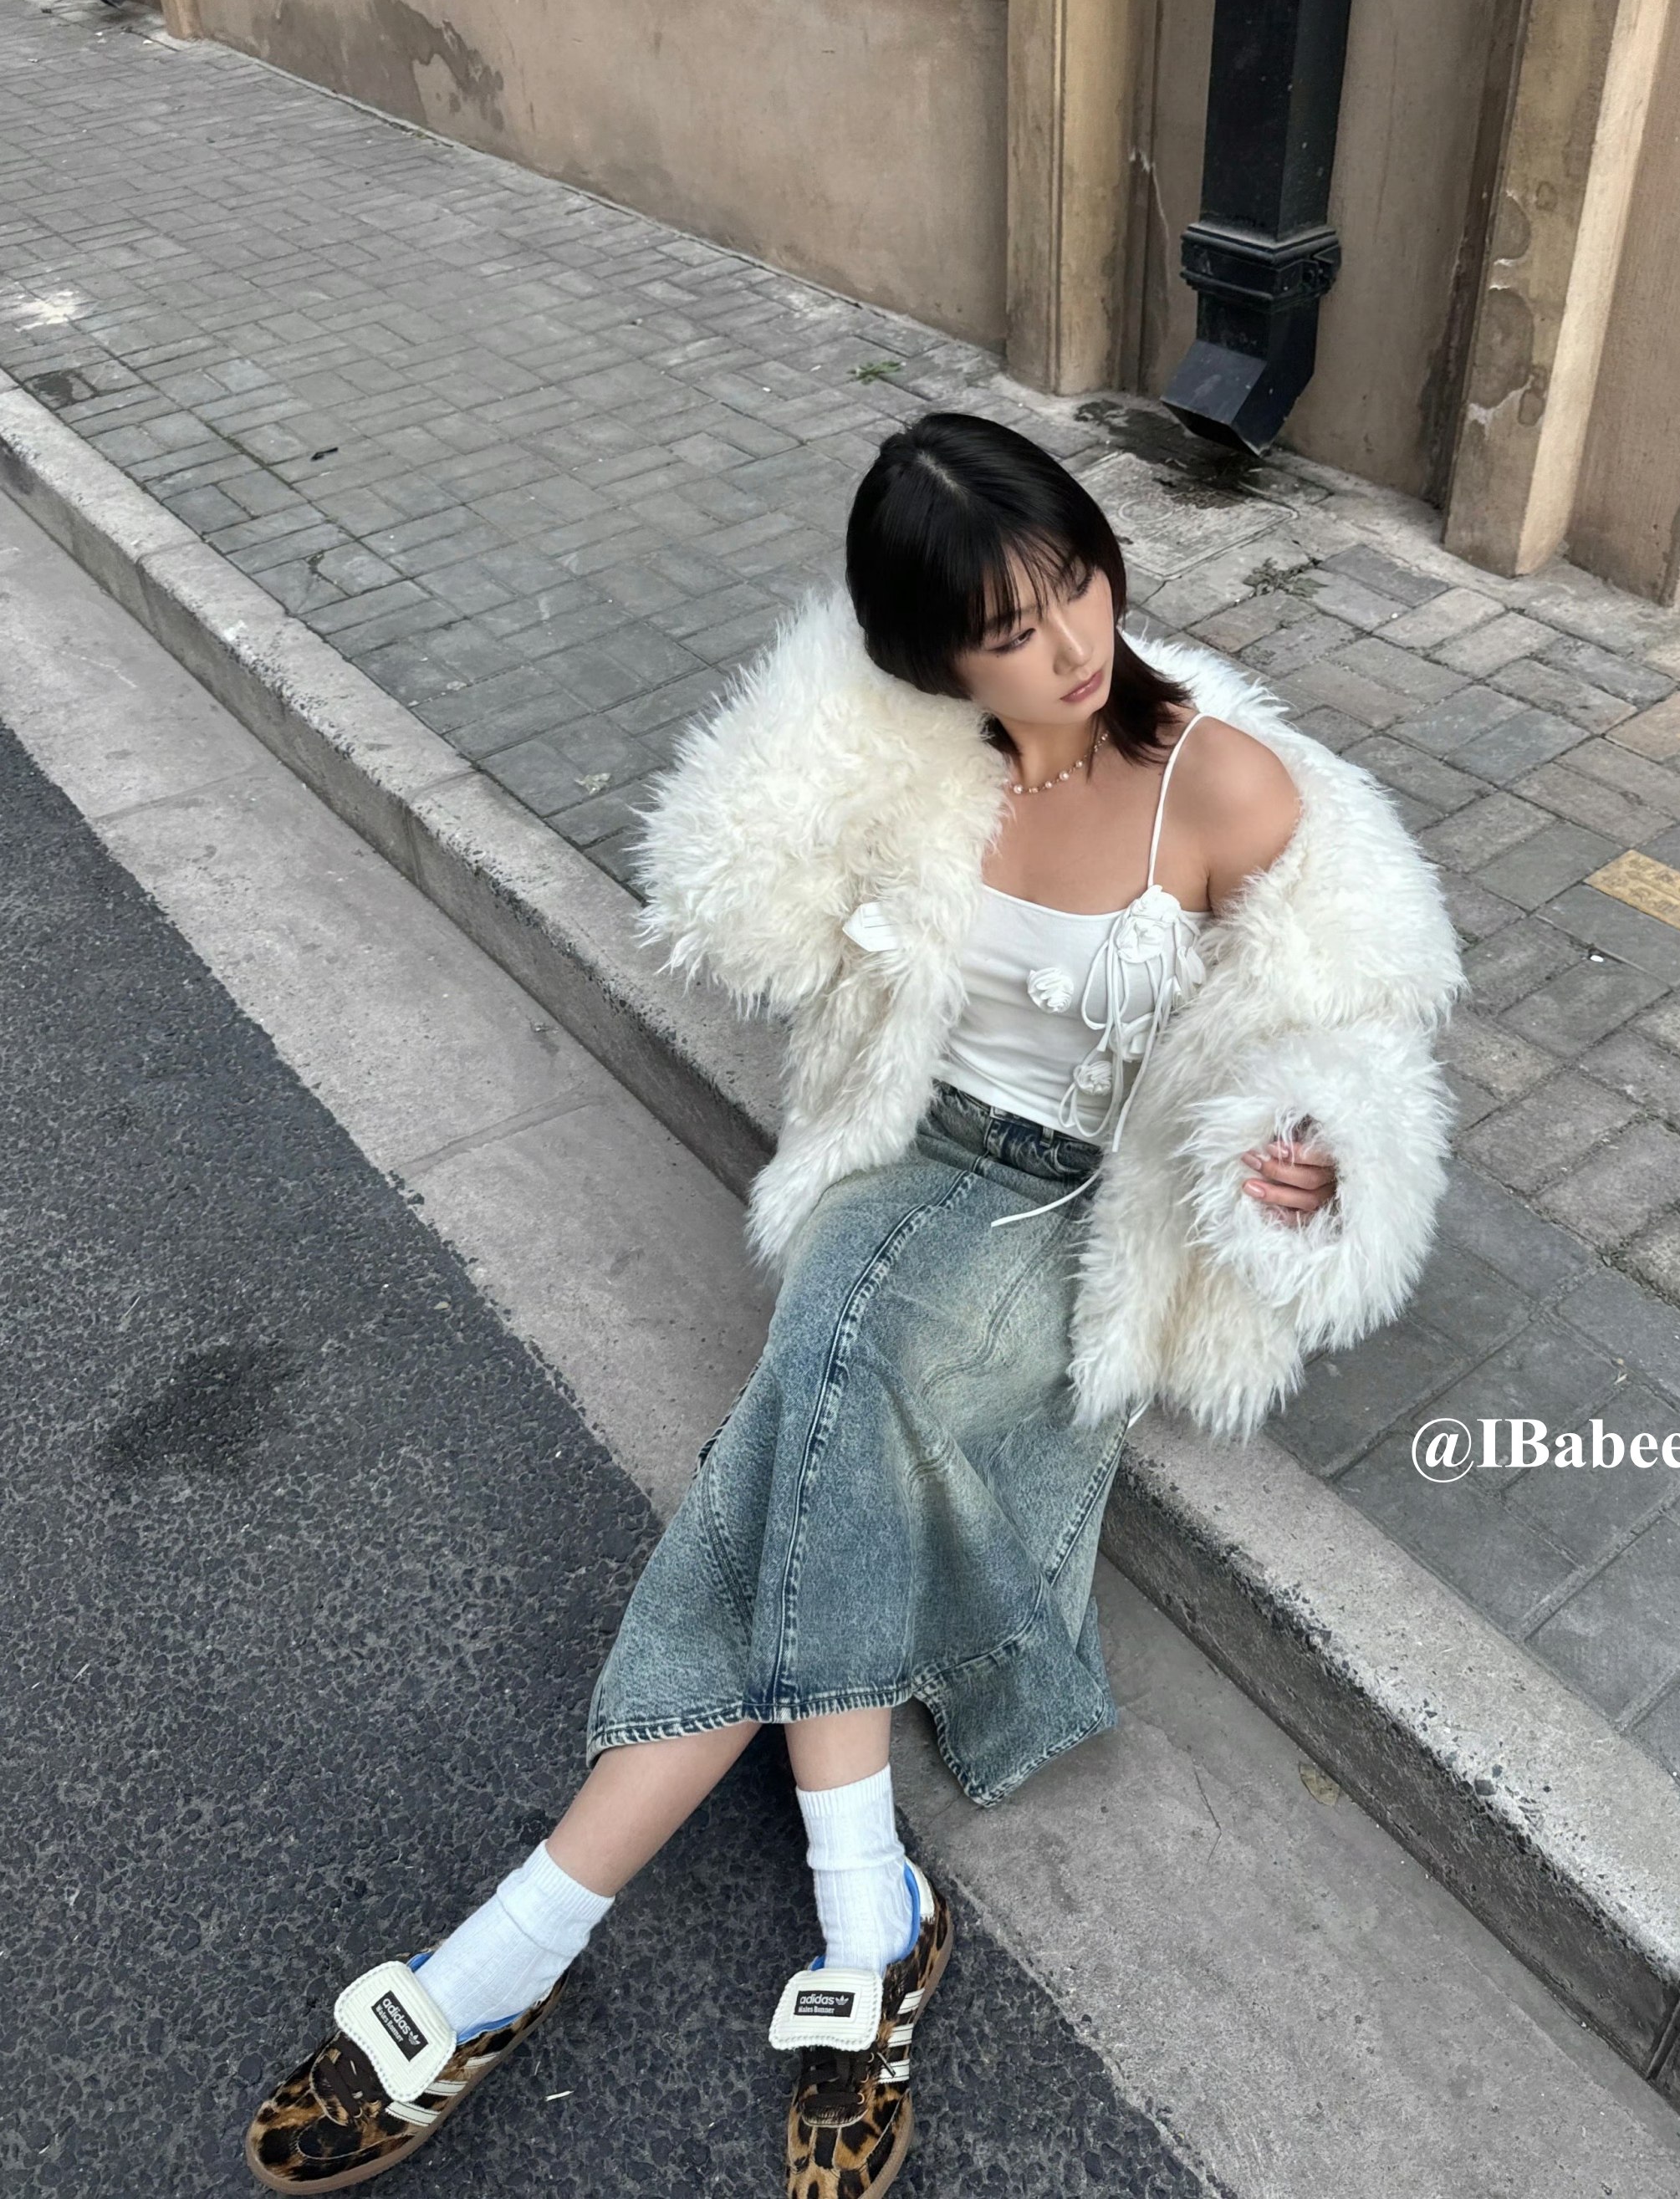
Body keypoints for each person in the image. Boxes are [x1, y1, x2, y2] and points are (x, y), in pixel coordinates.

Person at [244, 411, 1462, 2197]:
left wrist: (1306, 1155)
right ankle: (864, 1922)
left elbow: (1344, 1040)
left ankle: (508, 1954)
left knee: (826, 1383)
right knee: (842, 1374)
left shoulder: (1227, 788)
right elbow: (750, 897)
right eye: (1008, 630)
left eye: (1077, 585)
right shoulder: (907, 759)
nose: (1070, 645)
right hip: (901, 1158)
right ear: (931, 657)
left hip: (1070, 1210)